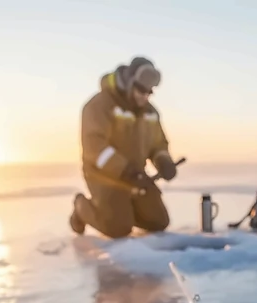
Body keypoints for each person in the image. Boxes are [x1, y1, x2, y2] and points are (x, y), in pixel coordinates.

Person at [69, 57, 178, 238]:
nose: (145, 96)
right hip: (103, 176)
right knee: (118, 229)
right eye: (140, 91)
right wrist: (126, 171)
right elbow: (95, 147)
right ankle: (82, 208)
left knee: (159, 222)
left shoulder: (150, 112)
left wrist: (163, 161)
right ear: (129, 83)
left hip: (136, 176)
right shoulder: (99, 106)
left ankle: (123, 209)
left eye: (149, 92)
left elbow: (158, 144)